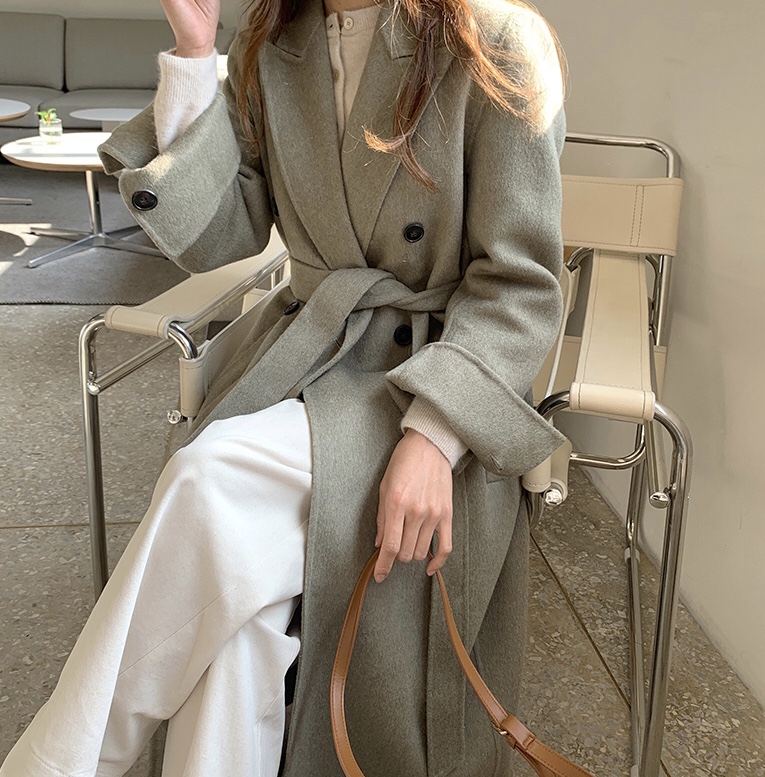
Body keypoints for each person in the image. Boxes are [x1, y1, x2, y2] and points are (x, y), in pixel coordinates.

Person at [0, 0, 566, 774]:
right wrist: (195, 53)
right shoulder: (273, 46)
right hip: (307, 359)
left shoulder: (494, 40)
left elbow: (520, 287)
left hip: (433, 376)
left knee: (209, 480)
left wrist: (435, 436)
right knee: (236, 636)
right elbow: (218, 238)